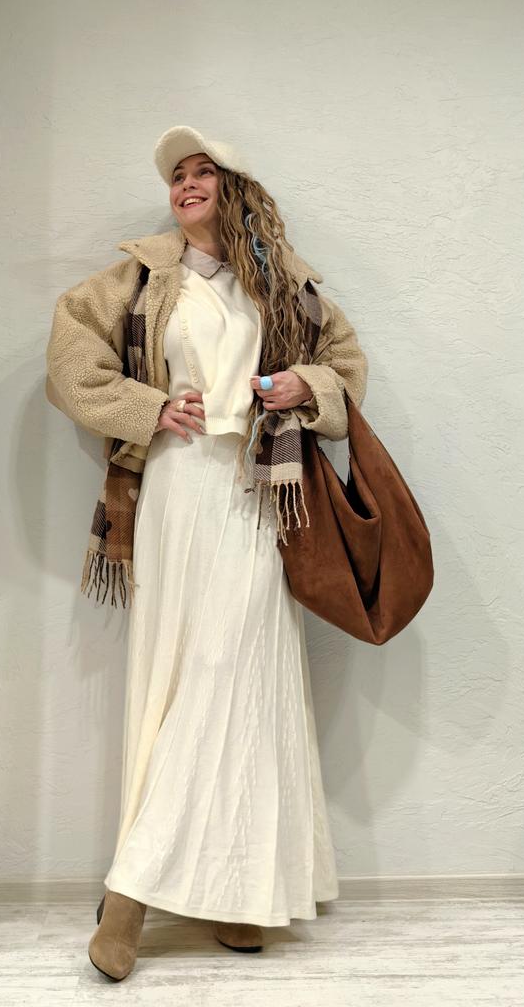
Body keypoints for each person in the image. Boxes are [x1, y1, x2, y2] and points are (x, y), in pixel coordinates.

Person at [45, 125, 369, 982]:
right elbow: (70, 363)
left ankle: (193, 891)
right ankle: (169, 893)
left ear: (234, 189)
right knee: (176, 679)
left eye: (201, 173)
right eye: (176, 176)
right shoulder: (140, 278)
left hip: (260, 496)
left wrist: (306, 385)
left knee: (240, 675)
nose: (184, 184)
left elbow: (345, 371)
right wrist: (146, 408)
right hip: (176, 489)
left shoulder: (286, 285)